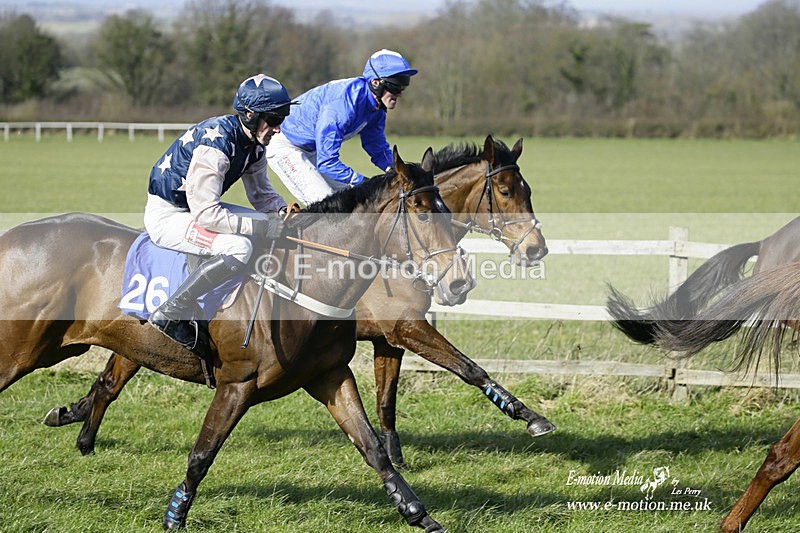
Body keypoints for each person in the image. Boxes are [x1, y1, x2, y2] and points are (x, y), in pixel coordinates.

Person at [144, 73, 295, 351]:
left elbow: (261, 195)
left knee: (269, 223)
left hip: (195, 209)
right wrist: (262, 228)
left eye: (281, 120)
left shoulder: (254, 145)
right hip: (170, 215)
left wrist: (282, 211)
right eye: (274, 120)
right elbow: (207, 215)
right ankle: (172, 313)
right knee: (239, 247)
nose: (278, 129)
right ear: (250, 115)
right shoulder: (217, 146)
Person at [266, 48, 418, 205]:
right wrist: (360, 181)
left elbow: (378, 149)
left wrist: (401, 172)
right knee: (329, 205)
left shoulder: (376, 109)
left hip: (313, 150)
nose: (399, 94)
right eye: (395, 87)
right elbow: (327, 162)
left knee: (353, 202)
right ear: (375, 83)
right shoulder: (343, 106)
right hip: (285, 145)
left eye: (403, 86)